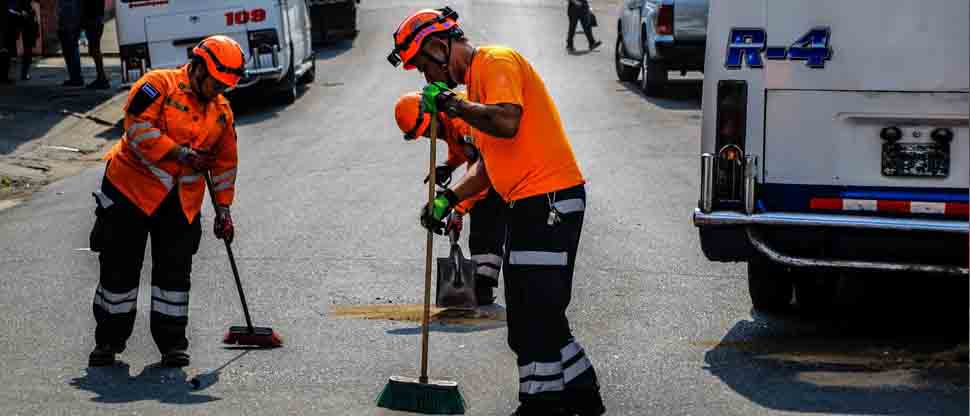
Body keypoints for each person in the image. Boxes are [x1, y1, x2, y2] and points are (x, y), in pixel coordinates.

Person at [389, 8, 605, 416]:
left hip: (549, 200)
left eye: (423, 67)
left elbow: (508, 121)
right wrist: (449, 200)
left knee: (534, 312)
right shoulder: (474, 88)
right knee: (531, 315)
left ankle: (542, 403)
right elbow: (488, 165)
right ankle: (578, 393)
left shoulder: (495, 61)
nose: (426, 78)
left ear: (439, 46)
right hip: (529, 203)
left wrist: (452, 104)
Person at [87, 35, 243, 368]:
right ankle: (109, 342)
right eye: (214, 82)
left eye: (223, 86)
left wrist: (224, 210)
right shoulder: (157, 85)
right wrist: (180, 153)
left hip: (180, 202)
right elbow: (137, 129)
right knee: (119, 271)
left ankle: (173, 344)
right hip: (129, 191)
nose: (217, 90)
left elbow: (225, 164)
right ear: (198, 67)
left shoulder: (221, 113)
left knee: (174, 276)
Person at [393, 91, 505, 305]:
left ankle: (483, 284)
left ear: (432, 115)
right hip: (489, 169)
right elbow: (463, 151)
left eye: (427, 130)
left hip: (503, 172)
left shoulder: (460, 121)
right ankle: (482, 280)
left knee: (485, 215)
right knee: (482, 217)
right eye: (423, 134)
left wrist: (457, 207)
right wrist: (449, 165)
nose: (428, 136)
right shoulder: (446, 123)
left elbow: (483, 172)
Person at [1, 0, 38, 82]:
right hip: (15, 17)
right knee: (7, 47)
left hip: (23, 16)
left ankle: (23, 73)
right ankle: (5, 76)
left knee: (26, 46)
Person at [81, 0, 109, 89]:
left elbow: (90, 7)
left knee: (94, 50)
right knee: (94, 50)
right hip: (95, 20)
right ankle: (101, 77)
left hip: (93, 21)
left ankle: (102, 78)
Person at [57, 0, 84, 86]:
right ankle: (74, 77)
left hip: (70, 23)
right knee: (68, 51)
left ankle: (76, 78)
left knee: (71, 50)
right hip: (67, 22)